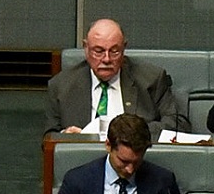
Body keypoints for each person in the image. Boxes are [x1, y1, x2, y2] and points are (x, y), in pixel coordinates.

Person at [47, 114, 185, 194]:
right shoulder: (77, 181)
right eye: (124, 161)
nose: (130, 170)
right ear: (108, 145)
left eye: (136, 162)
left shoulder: (163, 181)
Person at [45, 19, 185, 136]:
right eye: (98, 51)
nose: (106, 59)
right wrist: (67, 136)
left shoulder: (151, 79)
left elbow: (178, 124)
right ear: (86, 48)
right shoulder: (61, 85)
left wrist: (133, 133)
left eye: (114, 51)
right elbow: (49, 136)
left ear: (124, 48)